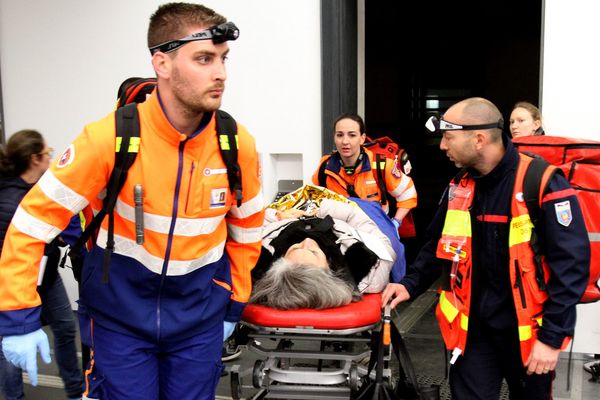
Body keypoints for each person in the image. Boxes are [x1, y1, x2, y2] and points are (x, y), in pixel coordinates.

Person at [0, 3, 264, 400]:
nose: (220, 73)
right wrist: (18, 317)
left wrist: (234, 301)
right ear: (162, 63)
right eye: (204, 58)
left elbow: (247, 232)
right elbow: (32, 223)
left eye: (223, 59)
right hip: (119, 325)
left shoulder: (235, 145)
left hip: (198, 324)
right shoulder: (109, 140)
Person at [382, 97, 590, 399]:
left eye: (448, 137)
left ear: (479, 139)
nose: (442, 146)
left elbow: (571, 268)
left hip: (527, 336)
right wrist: (409, 285)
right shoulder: (460, 186)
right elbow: (437, 245)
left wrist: (552, 339)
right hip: (472, 334)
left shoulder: (542, 183)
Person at [0, 130, 84, 400]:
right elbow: (11, 255)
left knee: (65, 327)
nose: (51, 157)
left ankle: (75, 390)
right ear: (34, 158)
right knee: (11, 344)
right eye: (48, 153)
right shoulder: (10, 200)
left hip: (46, 277)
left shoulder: (42, 189)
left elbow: (64, 220)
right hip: (14, 282)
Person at [250, 185, 400, 309]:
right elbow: (382, 243)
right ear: (328, 268)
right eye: (313, 252)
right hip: (343, 212)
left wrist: (278, 216)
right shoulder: (369, 272)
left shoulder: (263, 252)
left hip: (289, 213)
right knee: (375, 211)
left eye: (295, 248)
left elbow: (250, 223)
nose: (307, 241)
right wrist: (328, 209)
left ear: (279, 261)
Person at [311, 114, 417, 229]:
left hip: (375, 231)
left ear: (362, 138)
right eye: (340, 135)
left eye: (352, 135)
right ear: (334, 137)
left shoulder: (381, 165)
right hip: (339, 232)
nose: (345, 141)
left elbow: (408, 194)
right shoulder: (324, 168)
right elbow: (313, 201)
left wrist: (395, 223)